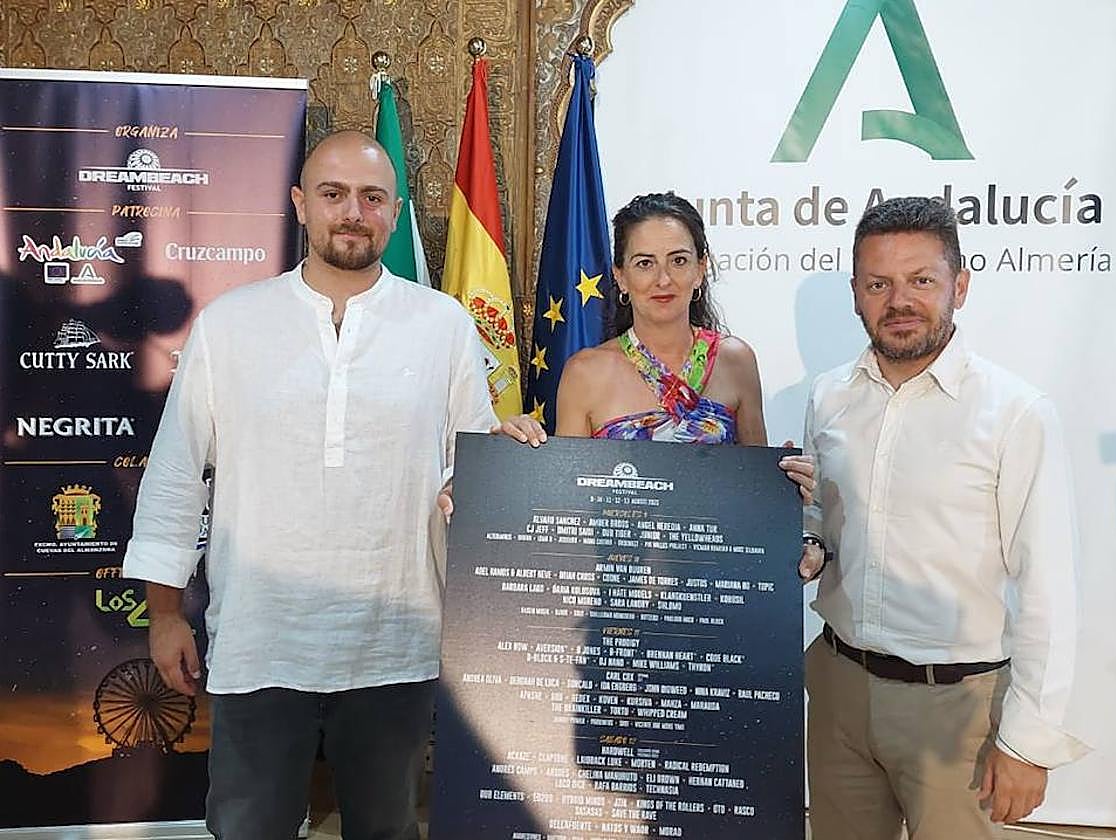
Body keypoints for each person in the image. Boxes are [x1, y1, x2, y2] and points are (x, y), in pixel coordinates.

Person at [122, 131, 501, 840]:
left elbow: (469, 468)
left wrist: (499, 475)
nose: (353, 212)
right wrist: (165, 614)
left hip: (396, 641)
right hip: (261, 637)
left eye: (372, 197)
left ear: (395, 213)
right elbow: (176, 473)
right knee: (249, 828)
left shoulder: (443, 326)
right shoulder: (232, 324)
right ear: (300, 204)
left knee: (386, 829)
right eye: (333, 194)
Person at [780, 196, 1089, 838]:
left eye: (921, 280)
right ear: (856, 294)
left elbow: (1049, 589)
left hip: (957, 709)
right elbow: (825, 529)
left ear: (960, 285)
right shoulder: (830, 397)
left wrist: (1028, 742)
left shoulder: (1015, 413)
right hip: (838, 691)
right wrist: (809, 543)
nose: (899, 301)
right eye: (878, 284)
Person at [506, 190, 824, 577]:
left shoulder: (735, 360)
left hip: (715, 583)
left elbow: (753, 500)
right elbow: (567, 500)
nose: (663, 279)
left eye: (679, 260)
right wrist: (513, 456)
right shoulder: (585, 372)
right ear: (620, 277)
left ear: (701, 268)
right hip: (618, 584)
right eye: (645, 263)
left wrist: (783, 485)